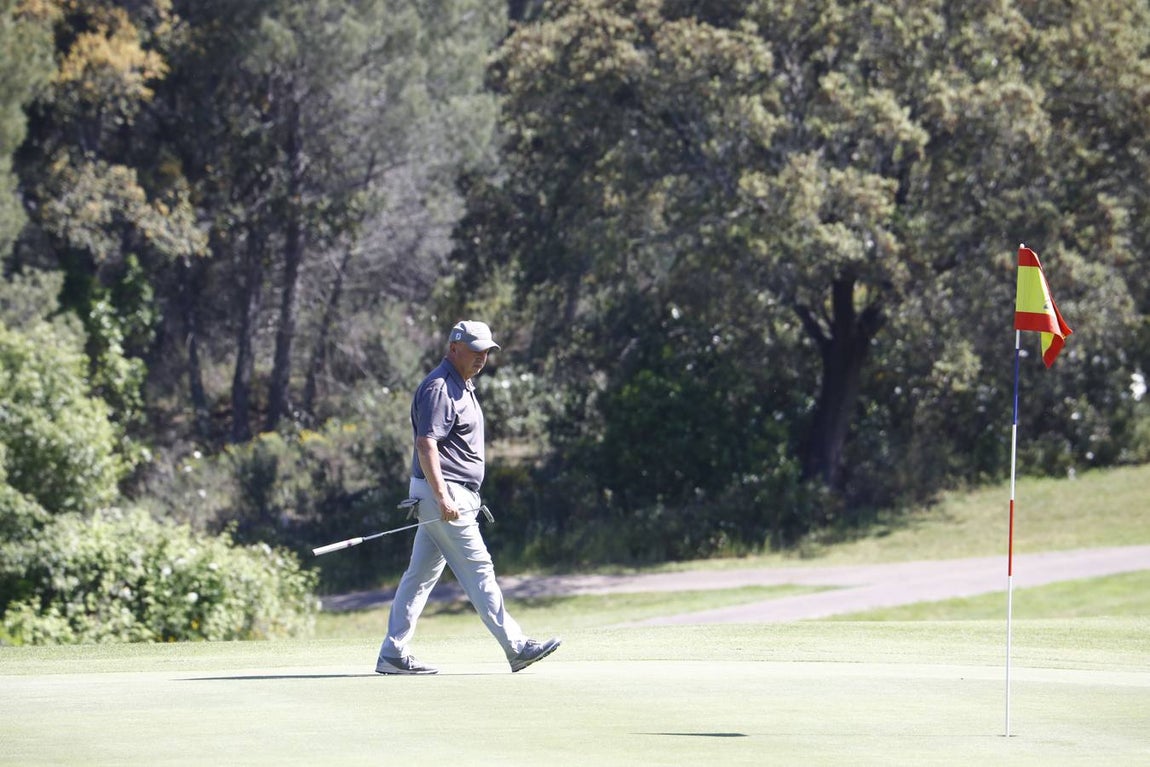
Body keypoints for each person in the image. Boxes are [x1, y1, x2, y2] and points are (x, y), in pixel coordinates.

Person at [375, 320, 562, 675]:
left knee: (419, 577)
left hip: (448, 494)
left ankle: (393, 653)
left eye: (486, 352)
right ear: (454, 348)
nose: (481, 357)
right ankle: (517, 646)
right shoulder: (440, 388)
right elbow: (426, 444)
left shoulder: (463, 385)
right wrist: (443, 496)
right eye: (475, 351)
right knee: (479, 569)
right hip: (444, 494)